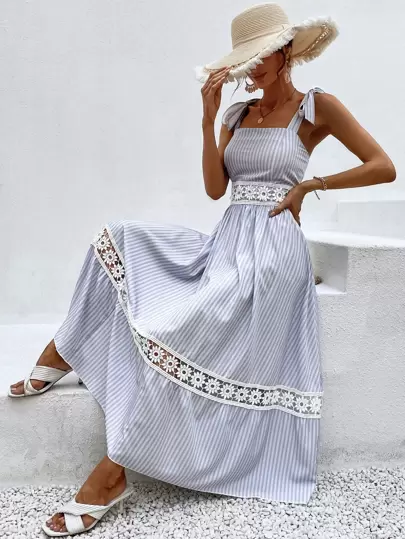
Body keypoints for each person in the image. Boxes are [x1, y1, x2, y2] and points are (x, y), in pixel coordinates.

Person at [9, 2, 396, 536]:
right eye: (244, 61)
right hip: (228, 240)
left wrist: (311, 185)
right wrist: (208, 117)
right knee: (120, 235)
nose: (249, 70)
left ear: (285, 52)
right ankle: (65, 346)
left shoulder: (316, 107)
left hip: (275, 251)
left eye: (258, 57)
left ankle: (111, 473)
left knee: (180, 326)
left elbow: (383, 166)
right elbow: (217, 190)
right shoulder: (237, 114)